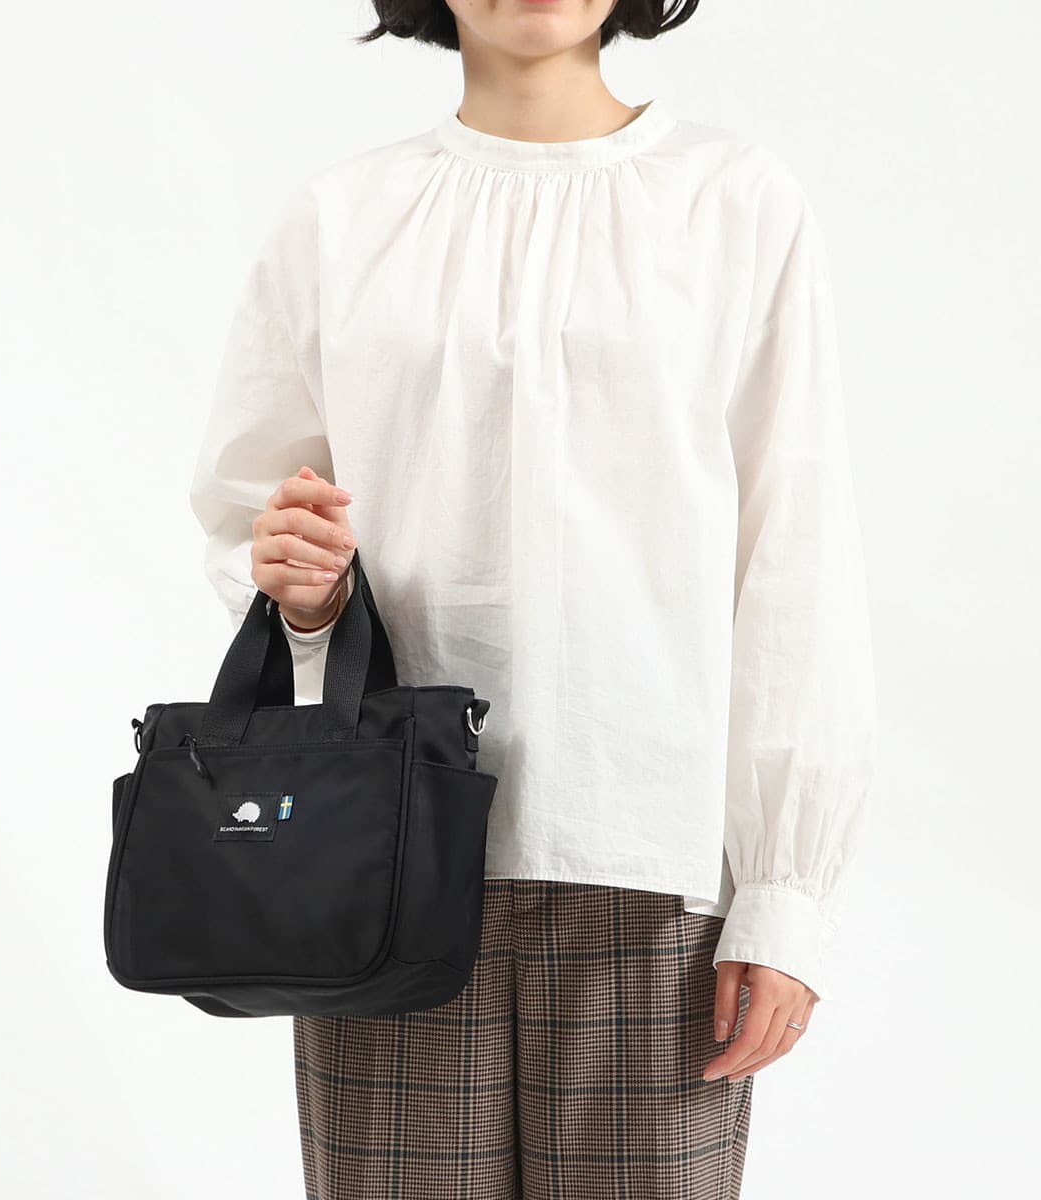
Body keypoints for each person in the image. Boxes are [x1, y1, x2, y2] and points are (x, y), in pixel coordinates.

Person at [188, 1, 878, 1196]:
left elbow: (794, 553)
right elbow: (260, 520)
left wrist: (786, 893)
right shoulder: (341, 220)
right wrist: (299, 592)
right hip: (383, 851)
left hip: (651, 854)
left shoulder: (732, 202)